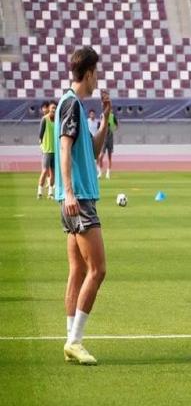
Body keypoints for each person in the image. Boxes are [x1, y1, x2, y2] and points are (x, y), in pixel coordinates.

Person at [54, 46, 112, 365]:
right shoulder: (71, 105)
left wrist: (105, 118)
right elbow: (64, 148)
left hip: (75, 198)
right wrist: (70, 192)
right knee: (98, 270)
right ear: (88, 73)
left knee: (77, 270)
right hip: (79, 200)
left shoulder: (72, 105)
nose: (97, 78)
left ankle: (70, 340)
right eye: (96, 72)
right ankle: (75, 341)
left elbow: (92, 151)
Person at [37, 100, 57, 199]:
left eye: (55, 108)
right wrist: (41, 145)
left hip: (55, 150)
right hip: (47, 150)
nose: (53, 109)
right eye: (52, 107)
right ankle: (39, 191)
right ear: (49, 108)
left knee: (53, 172)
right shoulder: (44, 119)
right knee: (45, 171)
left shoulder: (58, 120)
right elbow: (40, 135)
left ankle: (50, 193)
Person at [97, 109, 118, 179]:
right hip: (103, 139)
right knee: (101, 156)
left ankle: (108, 173)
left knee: (109, 156)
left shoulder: (112, 116)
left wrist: (112, 129)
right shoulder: (102, 116)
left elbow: (117, 125)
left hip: (110, 138)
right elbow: (99, 127)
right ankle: (100, 172)